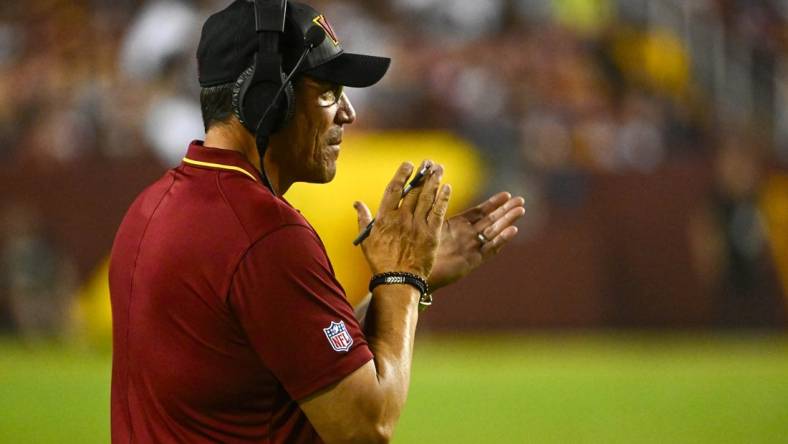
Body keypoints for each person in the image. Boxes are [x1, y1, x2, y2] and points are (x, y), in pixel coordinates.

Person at [109, 1, 525, 443]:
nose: (348, 112)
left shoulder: (151, 206)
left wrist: (405, 284)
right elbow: (367, 425)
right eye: (327, 91)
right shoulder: (266, 235)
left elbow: (291, 352)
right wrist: (402, 277)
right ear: (267, 99)